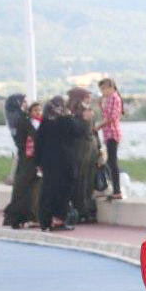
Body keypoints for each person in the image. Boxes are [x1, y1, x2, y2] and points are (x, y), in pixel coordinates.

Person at [34, 96, 87, 231]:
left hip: (48, 163)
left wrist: (38, 163)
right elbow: (80, 131)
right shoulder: (66, 121)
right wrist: (79, 118)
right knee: (64, 190)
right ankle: (59, 218)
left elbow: (38, 144)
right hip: (65, 163)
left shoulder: (45, 123)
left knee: (48, 191)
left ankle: (45, 221)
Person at [2, 101, 40, 228]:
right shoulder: (23, 120)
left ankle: (19, 216)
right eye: (23, 102)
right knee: (24, 189)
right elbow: (33, 137)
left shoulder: (17, 119)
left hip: (26, 159)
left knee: (25, 188)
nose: (25, 103)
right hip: (28, 159)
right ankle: (16, 216)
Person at [66, 87, 100, 223]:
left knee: (89, 180)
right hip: (79, 150)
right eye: (86, 97)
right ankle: (81, 211)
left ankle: (88, 210)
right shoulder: (73, 112)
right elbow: (80, 130)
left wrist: (100, 148)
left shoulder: (87, 111)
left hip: (90, 149)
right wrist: (85, 120)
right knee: (80, 180)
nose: (89, 100)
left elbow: (93, 131)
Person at [97, 78, 124, 201]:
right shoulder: (108, 99)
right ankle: (115, 189)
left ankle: (117, 191)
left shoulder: (114, 98)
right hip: (108, 133)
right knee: (110, 162)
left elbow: (112, 117)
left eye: (103, 88)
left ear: (110, 87)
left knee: (112, 162)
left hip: (112, 133)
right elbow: (107, 115)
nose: (102, 91)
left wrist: (98, 126)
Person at [2, 94, 26, 185]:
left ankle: (13, 177)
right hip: (21, 139)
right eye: (23, 101)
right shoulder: (16, 115)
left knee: (19, 157)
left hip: (18, 139)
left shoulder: (11, 113)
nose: (25, 103)